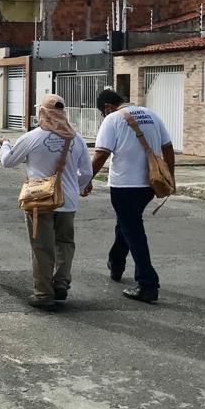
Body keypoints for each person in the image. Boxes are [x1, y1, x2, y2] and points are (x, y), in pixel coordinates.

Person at [0, 95, 93, 309]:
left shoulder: (32, 137)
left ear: (42, 112)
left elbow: (8, 161)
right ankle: (61, 282)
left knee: (42, 247)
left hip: (39, 201)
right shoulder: (75, 138)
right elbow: (87, 172)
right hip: (68, 201)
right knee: (65, 243)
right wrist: (75, 187)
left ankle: (43, 293)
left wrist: (5, 145)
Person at [83, 89, 175, 304]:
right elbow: (168, 148)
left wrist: (85, 180)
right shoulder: (151, 115)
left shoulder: (112, 119)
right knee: (126, 224)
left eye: (103, 112)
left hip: (124, 185)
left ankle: (148, 284)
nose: (104, 115)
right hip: (150, 184)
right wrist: (170, 176)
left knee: (133, 231)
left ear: (107, 107)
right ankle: (116, 263)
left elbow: (101, 154)